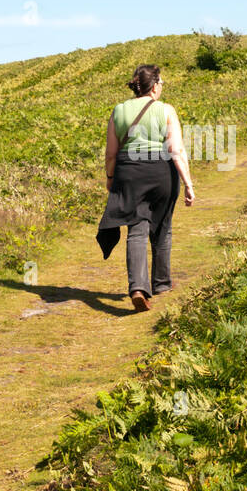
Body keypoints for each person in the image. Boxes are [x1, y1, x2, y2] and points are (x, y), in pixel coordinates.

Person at [95, 64, 195, 311]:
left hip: (129, 172)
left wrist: (110, 177)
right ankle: (161, 282)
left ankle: (138, 288)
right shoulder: (165, 110)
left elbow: (111, 153)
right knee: (162, 226)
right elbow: (176, 150)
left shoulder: (118, 110)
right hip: (160, 171)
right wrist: (188, 183)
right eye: (161, 83)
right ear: (155, 85)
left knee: (136, 229)